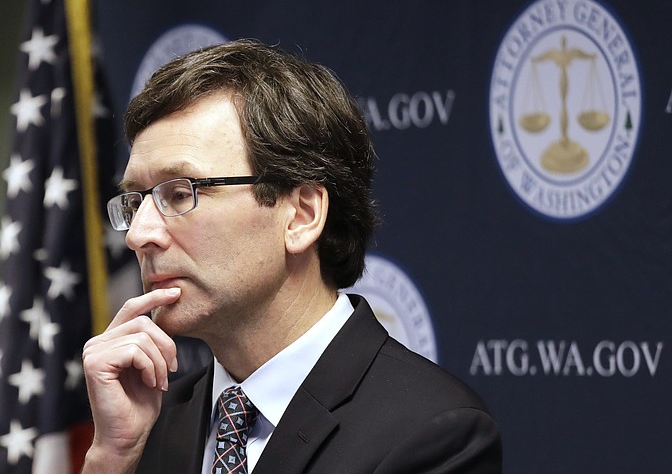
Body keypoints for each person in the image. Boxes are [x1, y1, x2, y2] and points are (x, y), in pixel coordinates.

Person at [82, 40, 502, 473]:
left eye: (180, 192)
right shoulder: (146, 425)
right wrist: (112, 459)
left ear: (301, 215)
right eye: (136, 201)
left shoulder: (431, 433)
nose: (138, 234)